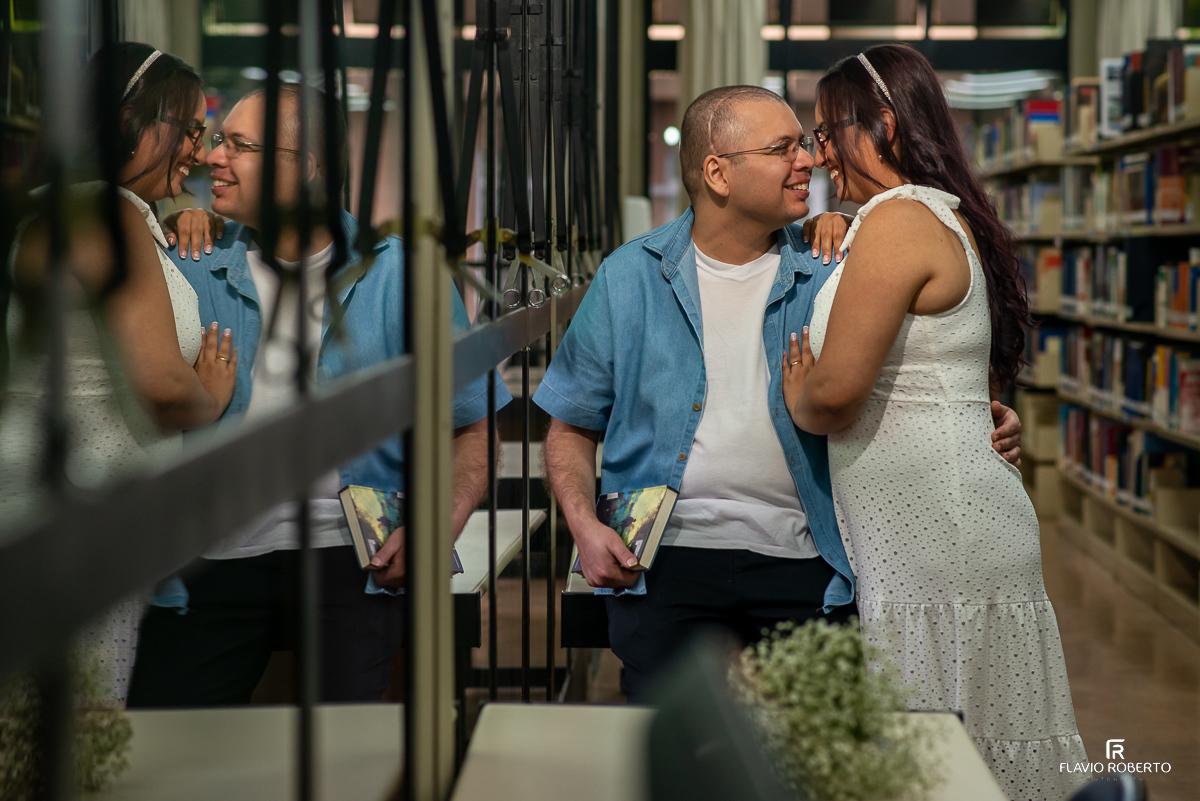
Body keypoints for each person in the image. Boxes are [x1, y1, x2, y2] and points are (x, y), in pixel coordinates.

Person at [534, 84, 1023, 701]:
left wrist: (980, 416)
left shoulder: (834, 267)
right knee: (680, 754)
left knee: (814, 763)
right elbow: (571, 425)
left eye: (805, 144)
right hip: (666, 556)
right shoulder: (629, 277)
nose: (810, 160)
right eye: (783, 148)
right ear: (718, 172)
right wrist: (582, 524)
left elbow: (916, 373)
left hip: (810, 558)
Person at [126, 84, 511, 705]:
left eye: (238, 145)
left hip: (349, 551)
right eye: (217, 139)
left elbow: (473, 423)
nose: (211, 158)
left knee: (346, 751)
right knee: (171, 736)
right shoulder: (192, 263)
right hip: (209, 554)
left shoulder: (401, 274)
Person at [781, 44, 1085, 800]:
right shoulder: (913, 217)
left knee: (943, 756)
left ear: (881, 123)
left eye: (826, 134)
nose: (819, 156)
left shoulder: (899, 222)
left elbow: (838, 390)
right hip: (935, 534)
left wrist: (800, 396)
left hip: (938, 544)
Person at [0, 43, 236, 705]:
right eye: (190, 128)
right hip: (80, 520)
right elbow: (160, 385)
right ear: (135, 118)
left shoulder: (69, 205)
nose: (197, 149)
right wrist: (211, 398)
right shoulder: (104, 214)